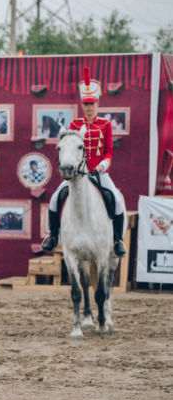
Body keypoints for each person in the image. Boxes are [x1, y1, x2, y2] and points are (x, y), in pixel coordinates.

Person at [41, 67, 127, 257]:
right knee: (55, 199)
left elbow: (109, 152)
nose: (89, 107)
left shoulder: (105, 125)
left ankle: (118, 240)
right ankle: (53, 236)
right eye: (86, 104)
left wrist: (101, 166)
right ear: (82, 105)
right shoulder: (74, 125)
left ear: (97, 104)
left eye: (92, 103)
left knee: (117, 202)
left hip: (99, 173)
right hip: (77, 175)